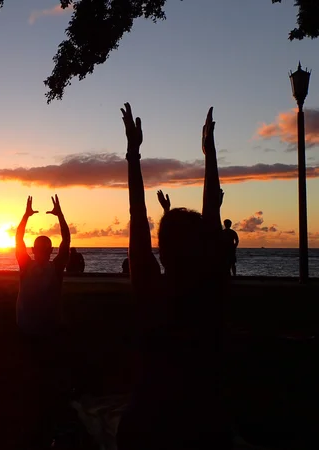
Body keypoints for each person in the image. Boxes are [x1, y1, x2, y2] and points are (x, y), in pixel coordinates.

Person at [116, 104, 232, 449]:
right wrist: (209, 153)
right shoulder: (211, 287)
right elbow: (212, 211)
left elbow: (138, 215)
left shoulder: (151, 289)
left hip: (149, 424)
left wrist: (133, 154)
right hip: (204, 424)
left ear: (162, 251)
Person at [15, 195, 71, 336]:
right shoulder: (56, 268)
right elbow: (66, 240)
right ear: (51, 250)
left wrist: (26, 216)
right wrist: (60, 215)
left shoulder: (26, 265)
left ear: (33, 250)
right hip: (49, 328)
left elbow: (18, 238)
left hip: (29, 328)